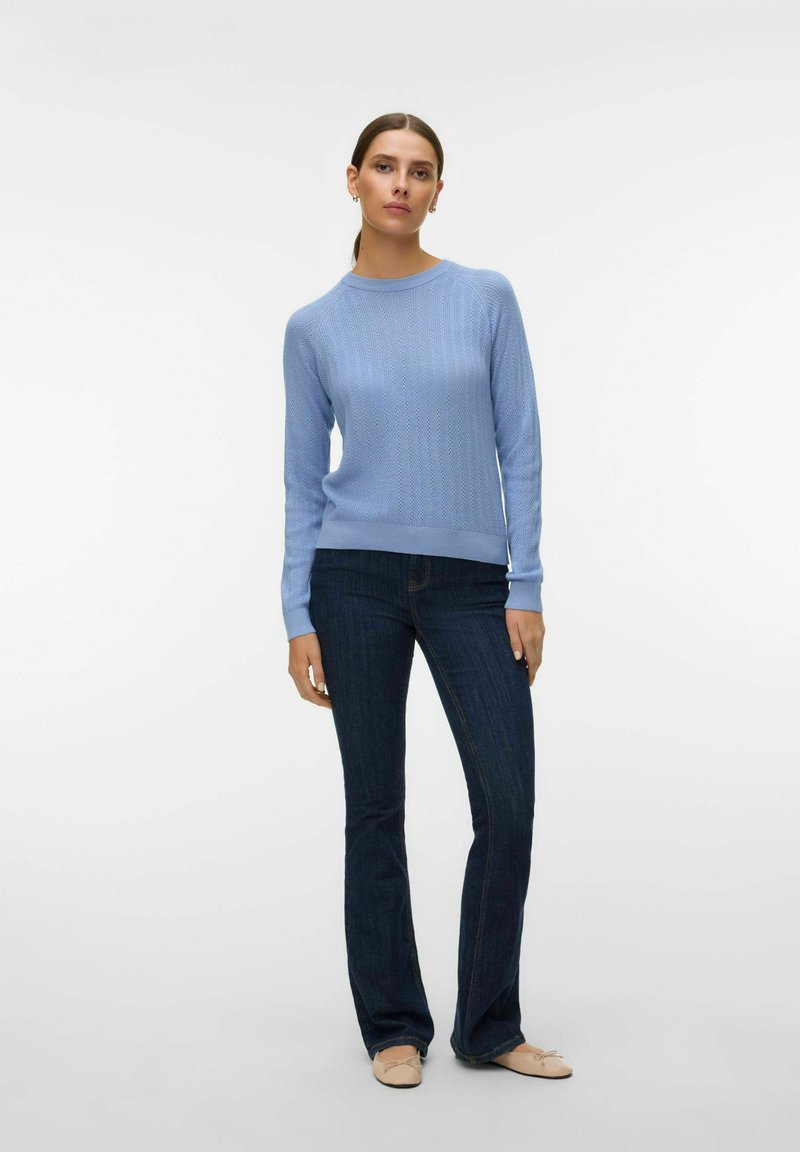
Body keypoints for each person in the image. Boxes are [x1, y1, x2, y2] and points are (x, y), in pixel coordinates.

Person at [281, 112, 573, 1089]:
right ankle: (393, 1025)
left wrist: (524, 583)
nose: (400, 184)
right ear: (353, 180)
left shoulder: (484, 298)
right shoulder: (314, 327)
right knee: (375, 809)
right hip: (352, 579)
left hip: (471, 586)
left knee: (507, 803)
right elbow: (300, 481)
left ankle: (488, 1024)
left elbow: (520, 446)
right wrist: (296, 612)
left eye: (419, 171)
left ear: (439, 191)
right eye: (384, 167)